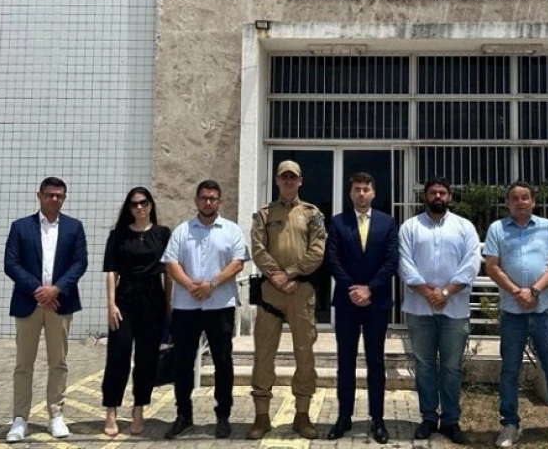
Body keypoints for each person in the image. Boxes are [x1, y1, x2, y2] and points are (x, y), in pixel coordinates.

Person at [483, 181, 548, 449]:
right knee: (510, 369)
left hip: (543, 310)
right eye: (515, 198)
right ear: (508, 203)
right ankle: (510, 424)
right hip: (512, 311)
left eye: (525, 197)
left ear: (533, 202)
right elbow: (492, 266)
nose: (520, 202)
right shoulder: (497, 229)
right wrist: (518, 292)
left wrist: (535, 290)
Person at [161, 180, 249, 440]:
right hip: (186, 306)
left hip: (220, 306)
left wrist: (212, 284)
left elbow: (238, 263)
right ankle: (183, 415)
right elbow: (171, 263)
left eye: (212, 198)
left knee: (223, 362)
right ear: (196, 200)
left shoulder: (231, 230)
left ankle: (223, 416)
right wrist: (191, 286)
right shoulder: (182, 230)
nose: (208, 202)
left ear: (219, 201)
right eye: (203, 198)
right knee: (183, 363)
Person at [3, 177, 88, 443]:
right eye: (49, 194)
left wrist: (57, 290)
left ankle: (56, 415)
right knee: (23, 363)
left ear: (64, 198)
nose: (54, 199)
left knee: (58, 362)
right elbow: (11, 264)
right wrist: (39, 291)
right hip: (28, 303)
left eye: (59, 195)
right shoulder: (20, 227)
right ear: (39, 195)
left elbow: (80, 263)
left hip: (60, 304)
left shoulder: (74, 227)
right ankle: (20, 419)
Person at [398, 177, 481, 445]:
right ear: (425, 197)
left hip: (454, 309)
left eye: (442, 192)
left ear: (449, 197)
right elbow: (405, 264)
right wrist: (429, 293)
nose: (437, 196)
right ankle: (428, 417)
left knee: (451, 367)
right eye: (433, 192)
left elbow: (471, 264)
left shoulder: (464, 227)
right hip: (419, 309)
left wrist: (444, 293)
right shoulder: (410, 227)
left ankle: (451, 420)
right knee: (423, 365)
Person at [247, 160, 326, 440]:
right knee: (263, 355)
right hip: (271, 292)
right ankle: (261, 416)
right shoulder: (264, 214)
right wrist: (276, 275)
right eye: (284, 177)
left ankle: (302, 415)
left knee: (304, 355)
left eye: (293, 177)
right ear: (277, 180)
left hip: (300, 291)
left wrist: (291, 273)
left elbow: (317, 250)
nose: (289, 181)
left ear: (300, 181)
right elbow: (257, 248)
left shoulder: (312, 214)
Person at [325, 172, 399, 444]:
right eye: (357, 189)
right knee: (345, 361)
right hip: (347, 303)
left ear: (373, 193)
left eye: (366, 189)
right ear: (350, 193)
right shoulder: (338, 222)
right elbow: (332, 260)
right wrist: (353, 289)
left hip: (376, 303)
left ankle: (377, 418)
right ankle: (344, 416)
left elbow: (392, 262)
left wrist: (370, 289)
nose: (361, 193)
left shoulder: (387, 222)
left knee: (375, 361)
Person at [100, 187, 172, 436]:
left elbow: (168, 273)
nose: (139, 207)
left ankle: (139, 409)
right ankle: (111, 410)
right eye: (134, 204)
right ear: (128, 208)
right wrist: (111, 305)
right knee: (118, 356)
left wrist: (169, 306)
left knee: (146, 359)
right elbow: (112, 271)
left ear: (151, 204)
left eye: (143, 202)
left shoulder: (162, 234)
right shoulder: (118, 235)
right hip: (125, 302)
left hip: (153, 301)